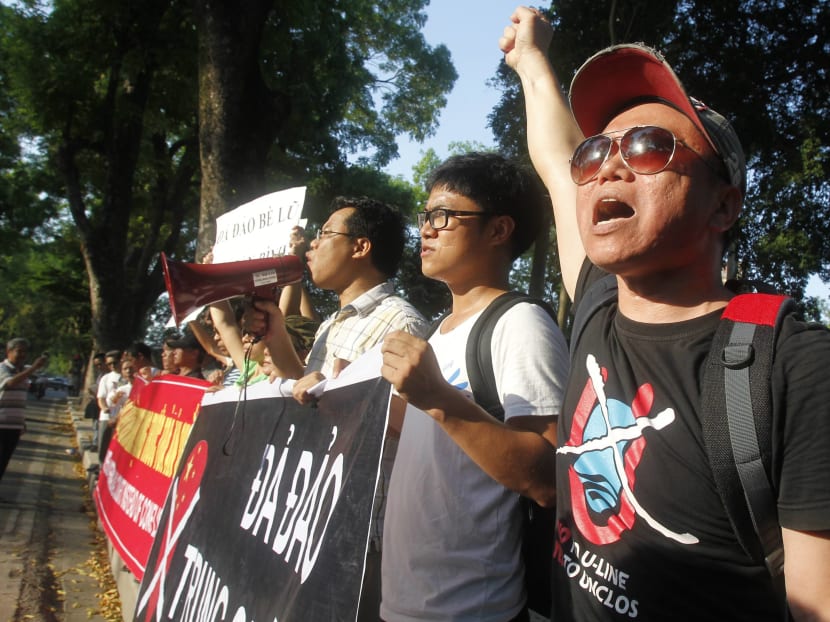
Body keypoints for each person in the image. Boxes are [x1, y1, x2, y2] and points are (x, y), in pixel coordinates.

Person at [501, 7, 830, 620]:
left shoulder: (797, 366)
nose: (609, 166)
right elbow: (554, 160)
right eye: (596, 152)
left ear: (723, 206)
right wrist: (530, 60)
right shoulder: (598, 300)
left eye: (649, 147)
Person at [378, 152, 569, 621]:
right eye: (425, 216)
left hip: (471, 607)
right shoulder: (435, 330)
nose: (426, 228)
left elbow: (550, 480)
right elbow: (430, 440)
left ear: (499, 230)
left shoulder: (520, 324)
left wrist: (440, 399)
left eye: (444, 215)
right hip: (403, 600)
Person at [247, 197, 428, 622]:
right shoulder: (333, 323)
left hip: (358, 534)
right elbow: (313, 397)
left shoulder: (399, 323)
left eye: (325, 233)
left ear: (360, 247)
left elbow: (405, 427)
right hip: (317, 517)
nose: (312, 244)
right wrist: (276, 336)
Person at [0, 338, 49, 481]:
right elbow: (10, 383)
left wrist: (22, 421)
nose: (22, 355)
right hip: (1, 423)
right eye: (19, 351)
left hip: (14, 425)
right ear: (8, 352)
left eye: (25, 352)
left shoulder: (23, 370)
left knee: (4, 460)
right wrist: (33, 368)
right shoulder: (3, 368)